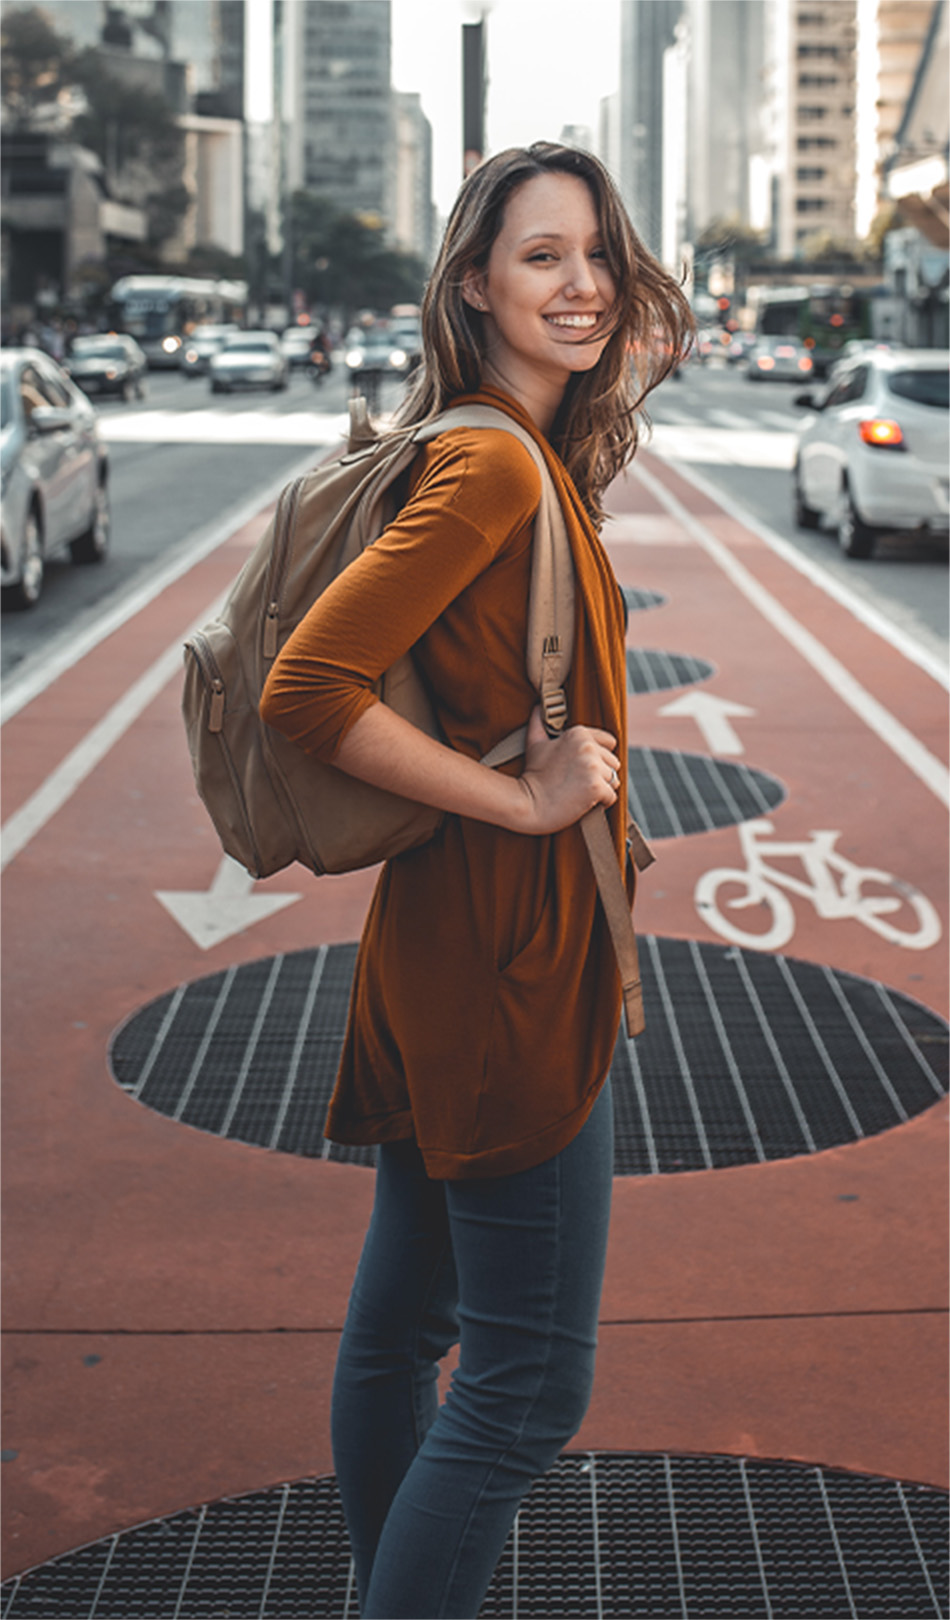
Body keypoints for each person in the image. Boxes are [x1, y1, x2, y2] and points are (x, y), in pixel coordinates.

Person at [260, 142, 693, 1619]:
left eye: (595, 254)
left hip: (437, 948)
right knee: (520, 1392)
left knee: (404, 1334)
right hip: (511, 965)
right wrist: (523, 797)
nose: (580, 286)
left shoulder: (496, 445)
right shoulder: (495, 460)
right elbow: (307, 687)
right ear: (473, 286)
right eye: (538, 257)